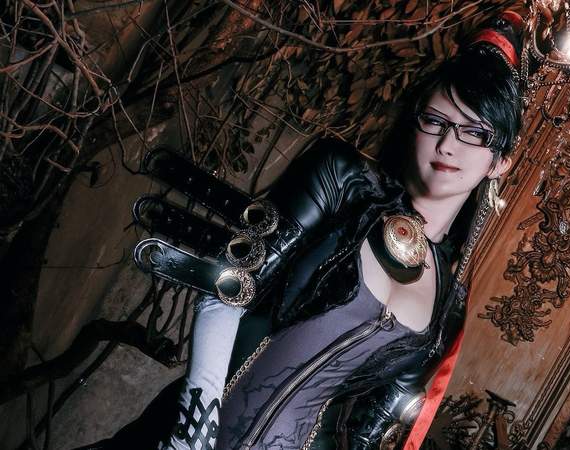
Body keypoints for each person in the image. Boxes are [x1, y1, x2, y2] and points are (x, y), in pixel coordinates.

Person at [129, 10, 524, 450]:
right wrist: (193, 430)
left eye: (475, 132)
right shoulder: (342, 181)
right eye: (435, 121)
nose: (448, 144)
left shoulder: (449, 306)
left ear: (501, 161)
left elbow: (367, 432)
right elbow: (229, 287)